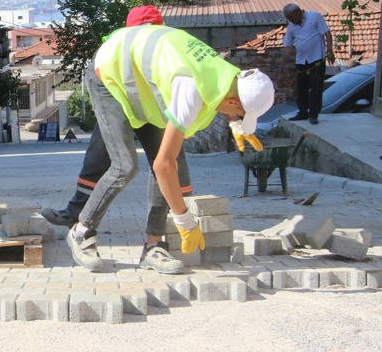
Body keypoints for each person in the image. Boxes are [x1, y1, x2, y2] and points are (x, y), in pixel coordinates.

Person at [66, 22, 274, 273]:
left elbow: (229, 96)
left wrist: (235, 122)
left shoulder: (229, 74)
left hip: (143, 83)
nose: (236, 117)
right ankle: (82, 230)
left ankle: (154, 247)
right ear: (232, 100)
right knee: (126, 166)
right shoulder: (191, 89)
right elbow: (165, 165)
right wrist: (185, 221)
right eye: (239, 114)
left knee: (160, 164)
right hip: (110, 72)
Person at [42, 6, 193, 251]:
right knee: (104, 154)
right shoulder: (116, 48)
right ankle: (77, 213)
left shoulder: (162, 49)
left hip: (147, 103)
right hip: (114, 97)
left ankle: (156, 239)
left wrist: (186, 205)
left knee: (165, 159)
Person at [278, 3, 334, 125]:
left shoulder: (314, 17)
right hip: (301, 60)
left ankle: (313, 114)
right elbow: (288, 47)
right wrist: (282, 64)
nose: (290, 20)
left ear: (298, 13)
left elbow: (327, 33)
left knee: (316, 87)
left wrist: (329, 50)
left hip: (317, 58)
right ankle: (302, 112)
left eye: (290, 17)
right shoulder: (292, 27)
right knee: (301, 87)